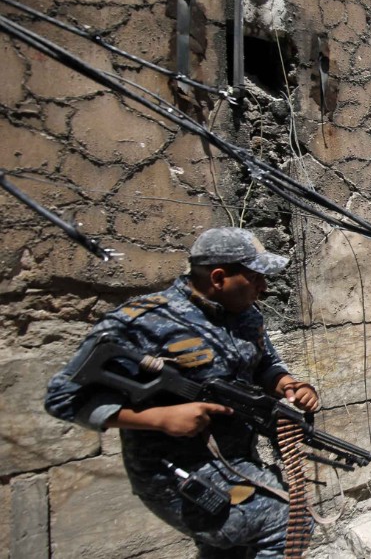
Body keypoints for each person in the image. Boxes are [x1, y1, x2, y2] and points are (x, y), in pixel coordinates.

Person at [45, 227, 318, 558]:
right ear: (218, 278)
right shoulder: (141, 322)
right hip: (173, 472)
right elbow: (62, 398)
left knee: (231, 551)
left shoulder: (246, 316)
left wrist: (289, 385)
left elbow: (265, 367)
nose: (264, 287)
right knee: (292, 522)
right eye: (256, 277)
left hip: (236, 460)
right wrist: (160, 417)